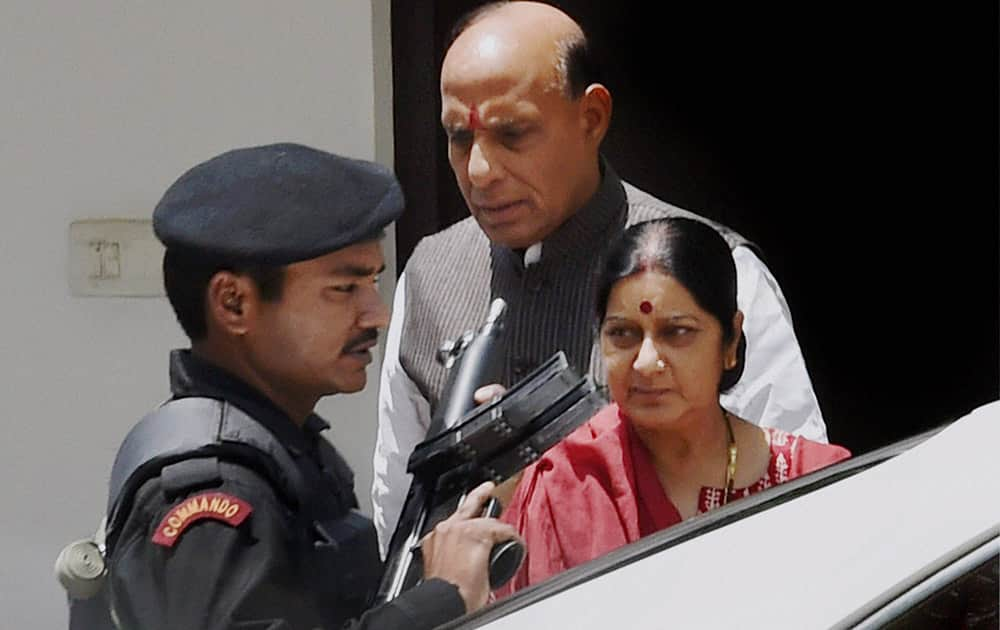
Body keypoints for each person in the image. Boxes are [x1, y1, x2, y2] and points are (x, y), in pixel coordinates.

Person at [372, 0, 829, 553]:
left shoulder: (716, 270)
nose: (480, 172)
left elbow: (799, 502)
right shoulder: (430, 278)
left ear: (591, 118)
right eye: (459, 137)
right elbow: (398, 512)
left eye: (512, 134)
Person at [94, 143, 520, 630]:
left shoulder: (278, 450)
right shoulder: (214, 489)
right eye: (344, 289)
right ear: (233, 303)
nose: (376, 315)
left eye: (374, 283)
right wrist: (441, 599)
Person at [495, 217, 851, 595]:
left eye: (677, 332)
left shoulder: (812, 483)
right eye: (623, 334)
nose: (646, 362)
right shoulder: (565, 481)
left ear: (729, 342)